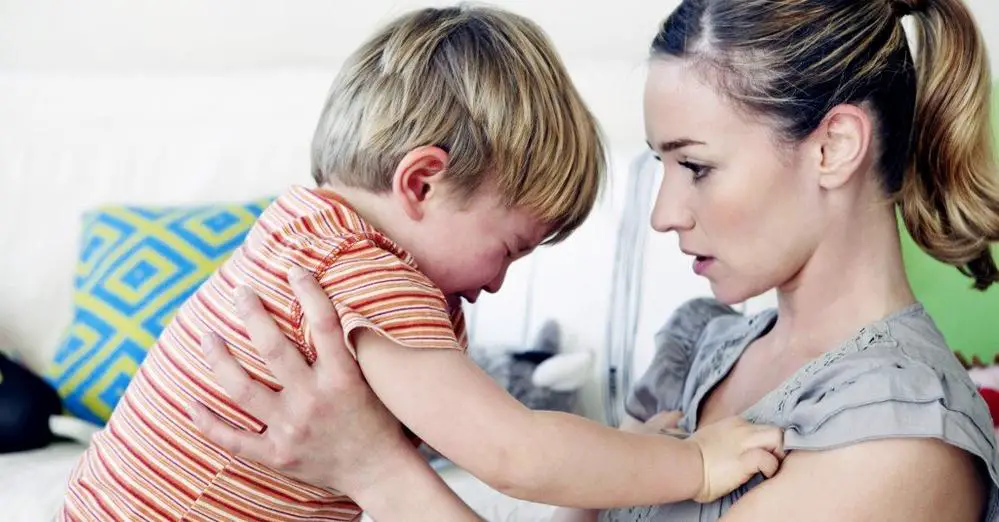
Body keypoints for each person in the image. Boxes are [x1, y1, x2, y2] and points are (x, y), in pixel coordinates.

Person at [189, 0, 999, 520]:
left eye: (696, 165)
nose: (661, 214)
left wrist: (374, 471)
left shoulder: (897, 450)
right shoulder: (708, 349)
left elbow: (510, 457)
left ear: (834, 148)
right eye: (661, 168)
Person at [58, 5, 785, 522]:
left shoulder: (302, 237)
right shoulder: (363, 268)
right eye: (508, 249)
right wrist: (691, 466)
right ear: (419, 183)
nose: (497, 283)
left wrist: (607, 471)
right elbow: (514, 450)